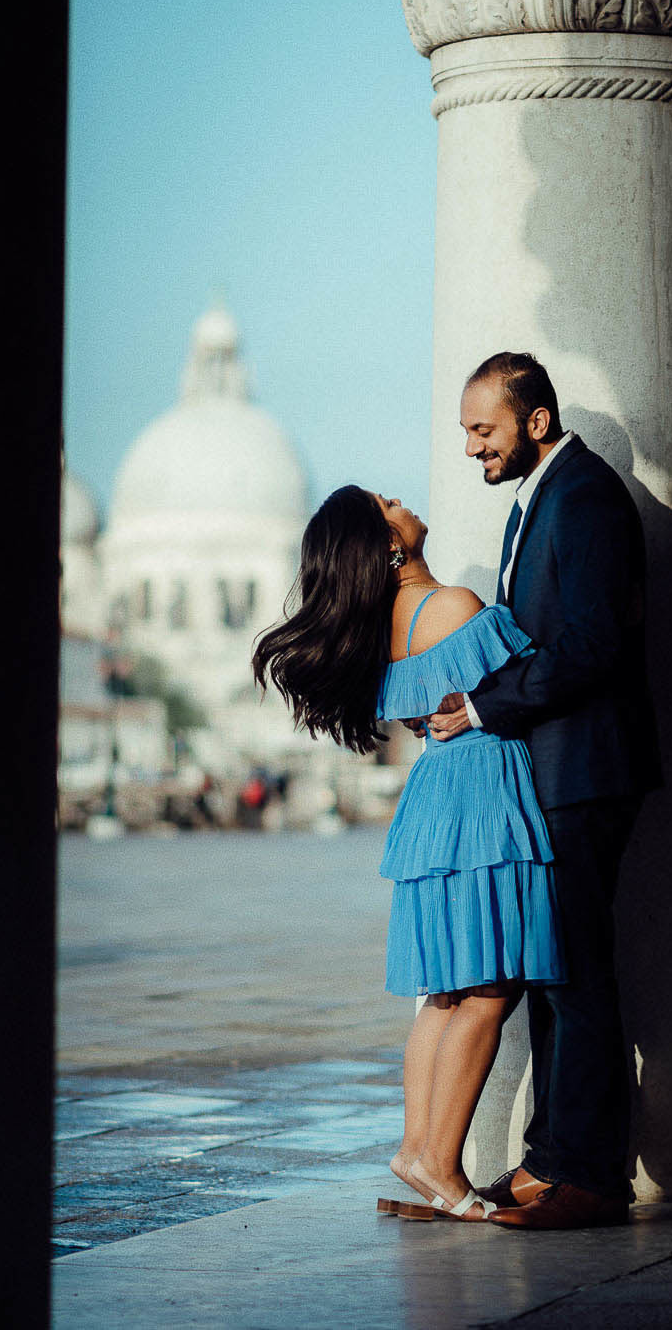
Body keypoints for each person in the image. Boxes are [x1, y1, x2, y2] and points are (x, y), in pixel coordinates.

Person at [252, 484, 563, 1223]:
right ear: (388, 546)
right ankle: (441, 1160)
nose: (401, 499)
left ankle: (417, 1146)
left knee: (447, 991)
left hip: (433, 803)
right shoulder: (450, 607)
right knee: (490, 989)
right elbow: (535, 671)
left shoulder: (383, 632)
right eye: (385, 504)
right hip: (481, 794)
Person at [421, 351, 660, 1230]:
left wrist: (483, 705)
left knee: (577, 976)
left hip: (587, 771)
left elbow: (593, 644)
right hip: (559, 772)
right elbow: (536, 636)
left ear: (534, 420)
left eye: (483, 429)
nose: (473, 448)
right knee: (556, 969)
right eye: (466, 433)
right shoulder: (547, 497)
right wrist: (454, 698)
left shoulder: (585, 495)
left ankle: (591, 1175)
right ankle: (553, 1159)